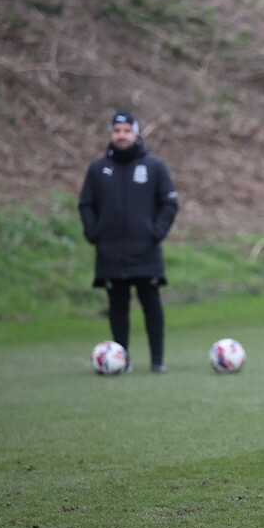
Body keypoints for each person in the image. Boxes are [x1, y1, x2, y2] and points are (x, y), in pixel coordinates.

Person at [78, 111, 179, 374]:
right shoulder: (98, 169)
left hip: (145, 251)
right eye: (117, 130)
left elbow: (169, 202)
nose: (121, 135)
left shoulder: (154, 166)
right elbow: (86, 204)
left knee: (151, 304)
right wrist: (94, 232)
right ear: (111, 134)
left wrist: (155, 232)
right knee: (118, 307)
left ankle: (157, 361)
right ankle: (121, 360)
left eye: (126, 130)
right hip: (110, 252)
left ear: (136, 134)